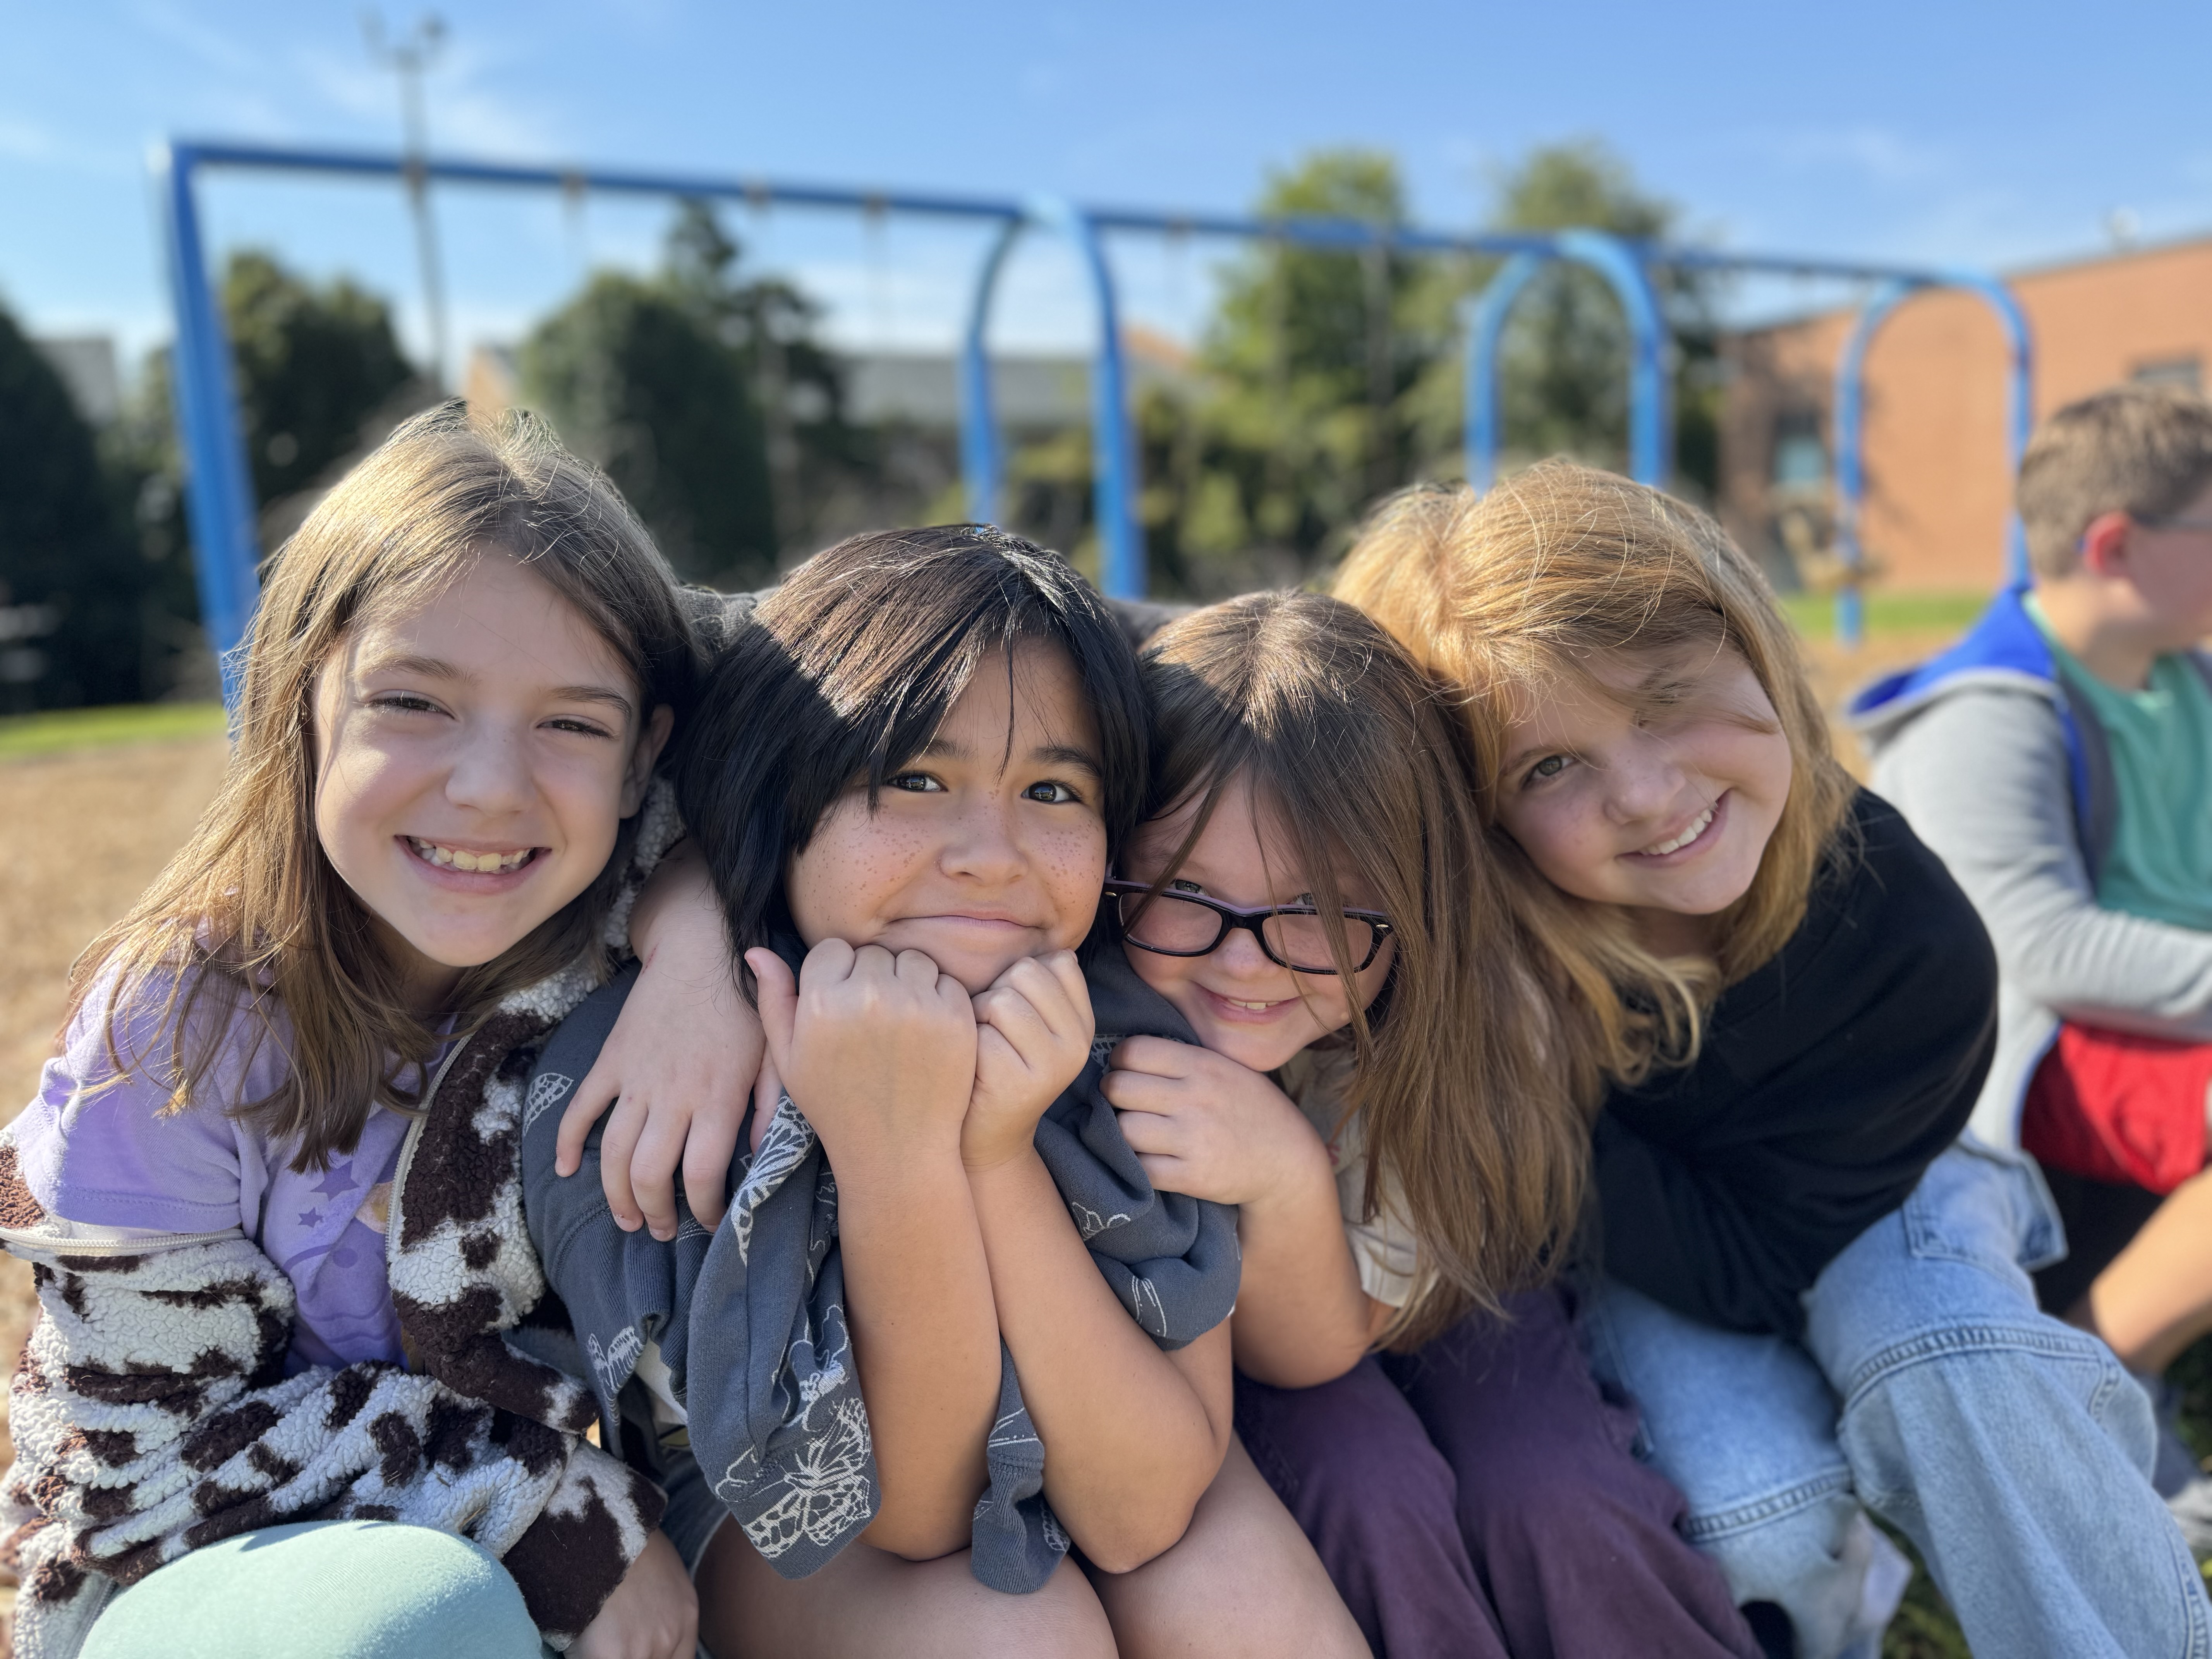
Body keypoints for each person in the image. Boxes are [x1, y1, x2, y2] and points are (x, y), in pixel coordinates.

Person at [1338, 461, 2212, 1659]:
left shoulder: (1907, 931)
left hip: (1879, 1184)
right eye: (1550, 767)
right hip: (1650, 1241)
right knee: (1763, 1513)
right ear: (1476, 813)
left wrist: (1566, 1100)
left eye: (1664, 702)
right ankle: (1836, 1601)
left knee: (1946, 1357)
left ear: (1755, 649)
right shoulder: (1494, 951)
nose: (1646, 797)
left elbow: (1773, 1256)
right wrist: (1536, 1075)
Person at [525, 526, 1365, 1659]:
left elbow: (1144, 1506)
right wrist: (896, 1156)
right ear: (779, 792)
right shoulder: (686, 1073)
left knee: (1250, 1611)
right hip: (784, 1522)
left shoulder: (1126, 1027)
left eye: (1054, 788)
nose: (990, 850)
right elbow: (908, 1515)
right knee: (1015, 1638)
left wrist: (996, 1153)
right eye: (915, 777)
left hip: (1092, 1446)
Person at [0, 404, 705, 1659]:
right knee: (421, 1616)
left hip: (484, 1580)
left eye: (574, 723)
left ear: (648, 754)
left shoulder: (620, 952)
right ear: (297, 696)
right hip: (201, 1588)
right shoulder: (179, 1027)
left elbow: (812, 654)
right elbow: (132, 1474)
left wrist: (696, 942)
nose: (491, 784)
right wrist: (543, 1503)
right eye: (413, 702)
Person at [1100, 591, 1760, 1659]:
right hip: (1252, 1352)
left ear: (1417, 901)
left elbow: (1336, 1332)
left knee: (1551, 1490)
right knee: (1367, 1486)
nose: (1245, 959)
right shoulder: (1093, 986)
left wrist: (1279, 1175)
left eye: (1322, 909)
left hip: (1439, 1284)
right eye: (1184, 889)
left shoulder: (1473, 1021)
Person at [1853, 383, 2212, 1541]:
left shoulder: (2188, 681)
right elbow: (2043, 948)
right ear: (2117, 543)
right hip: (2045, 1041)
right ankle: (2103, 1362)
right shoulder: (1987, 711)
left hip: (2167, 1017)